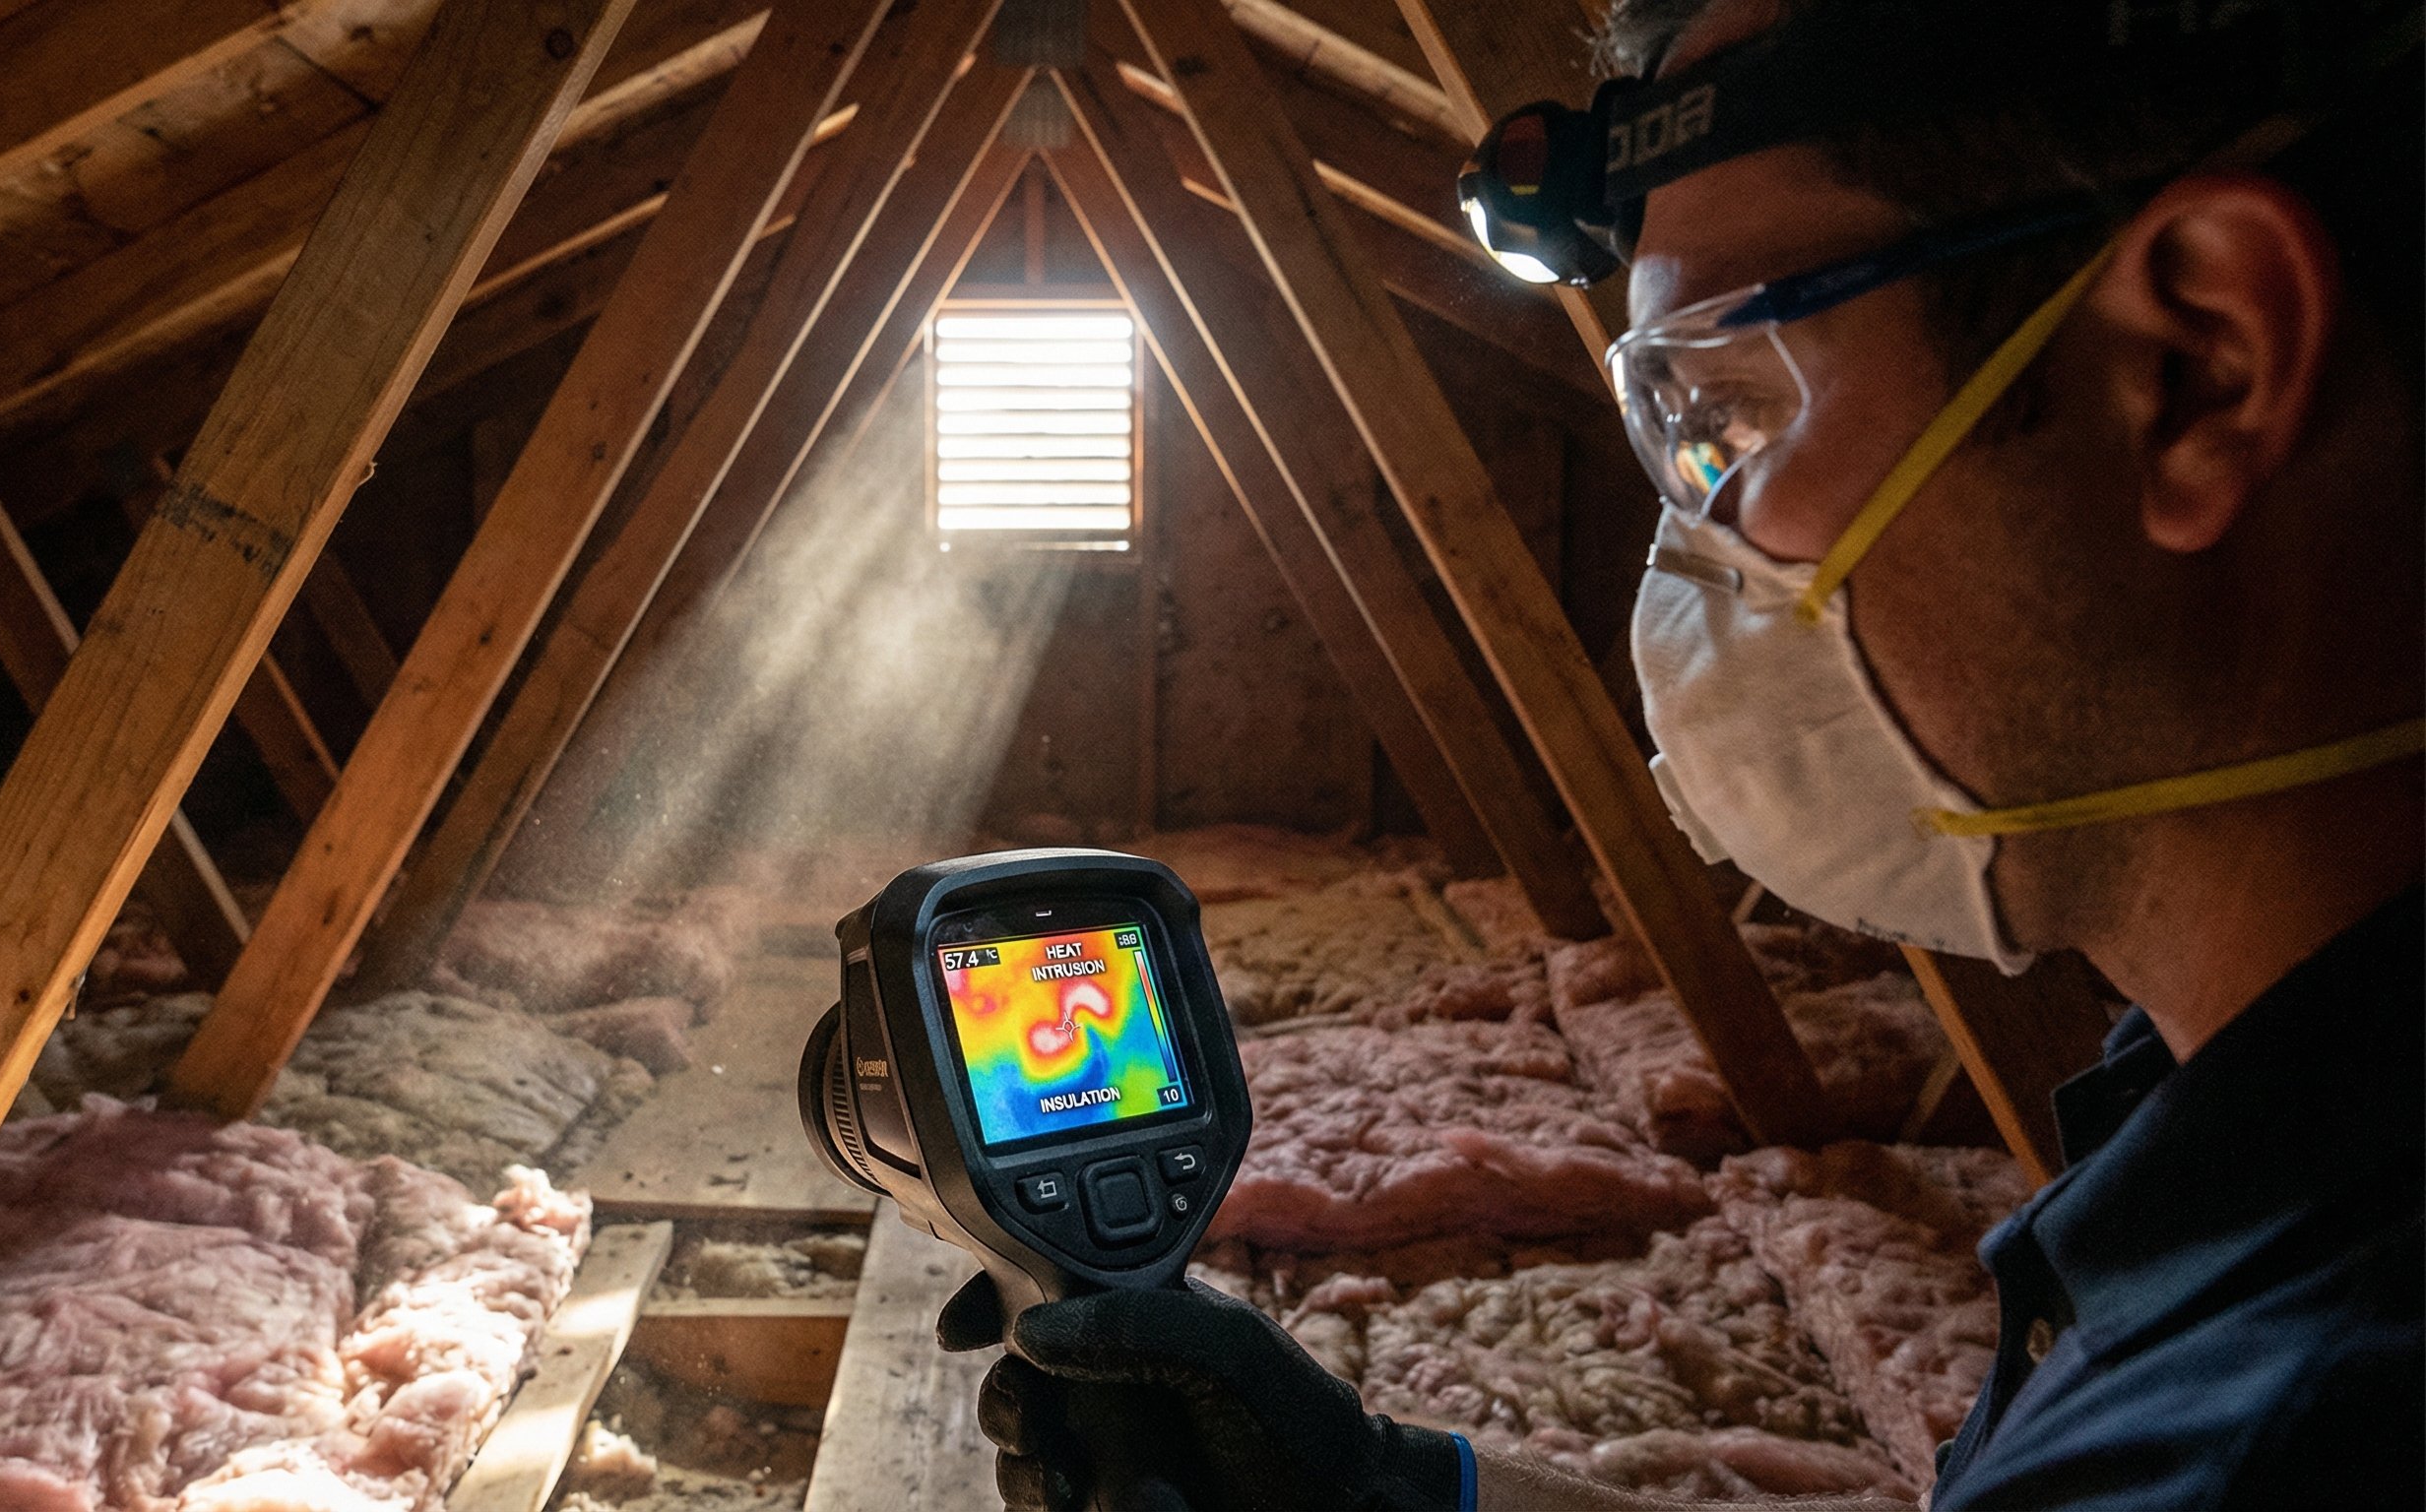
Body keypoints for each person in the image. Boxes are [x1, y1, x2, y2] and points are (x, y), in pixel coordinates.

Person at [936, 0, 2424, 1506]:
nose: (1694, 544)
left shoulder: (2281, 1429)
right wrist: (1398, 1492)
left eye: (1732, 404)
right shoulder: (2229, 1127)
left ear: (2199, 365)